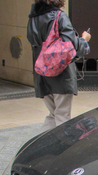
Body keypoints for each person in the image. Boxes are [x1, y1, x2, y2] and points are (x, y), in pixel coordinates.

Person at [27, 0, 91, 134]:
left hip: (42, 73)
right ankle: (62, 151)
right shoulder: (59, 16)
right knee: (62, 116)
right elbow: (72, 47)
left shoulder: (33, 18)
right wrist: (85, 39)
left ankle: (37, 147)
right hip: (60, 74)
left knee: (53, 114)